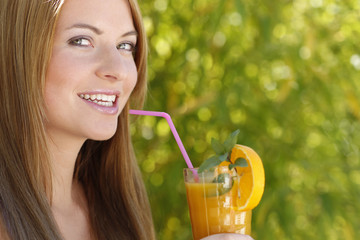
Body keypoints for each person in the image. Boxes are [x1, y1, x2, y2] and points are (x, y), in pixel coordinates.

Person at [0, 0, 254, 239]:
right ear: (18, 52)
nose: (119, 70)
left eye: (125, 46)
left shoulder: (119, 209)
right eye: (81, 41)